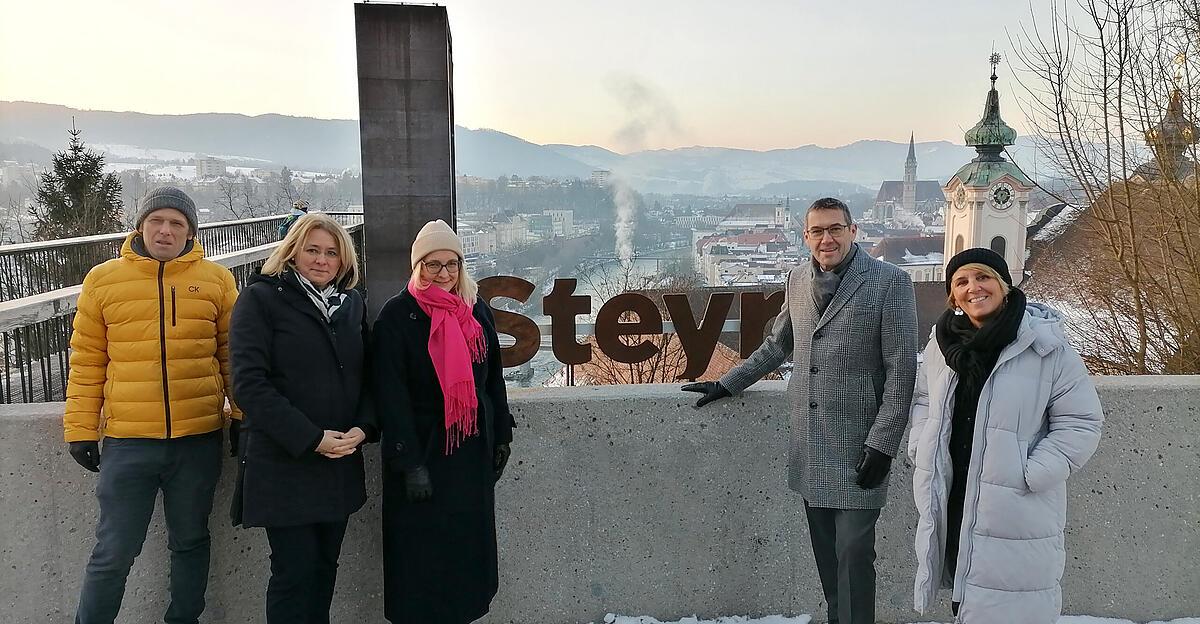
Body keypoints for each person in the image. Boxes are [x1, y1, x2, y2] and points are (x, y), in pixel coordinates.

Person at [682, 197, 918, 624]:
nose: (826, 239)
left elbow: (900, 372)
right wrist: (727, 382)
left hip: (861, 446)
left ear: (853, 231)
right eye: (817, 231)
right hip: (810, 443)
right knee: (828, 559)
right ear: (805, 236)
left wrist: (883, 445)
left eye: (834, 228)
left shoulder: (890, 282)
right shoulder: (796, 280)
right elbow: (777, 346)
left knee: (854, 553)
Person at [64, 185, 240, 624]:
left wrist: (241, 414)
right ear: (140, 226)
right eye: (157, 220)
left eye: (177, 223)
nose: (165, 230)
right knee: (114, 551)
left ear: (191, 232)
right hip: (128, 442)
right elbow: (87, 361)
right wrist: (81, 429)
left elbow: (233, 356)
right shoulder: (104, 281)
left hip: (197, 438)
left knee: (191, 542)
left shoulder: (217, 282)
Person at [908, 248, 1103, 624]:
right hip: (954, 492)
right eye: (961, 282)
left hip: (1014, 503)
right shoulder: (942, 344)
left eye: (983, 277)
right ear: (953, 295)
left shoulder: (1045, 346)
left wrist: (1030, 472)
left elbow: (1082, 421)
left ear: (1004, 286)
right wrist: (921, 444)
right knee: (965, 593)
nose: (973, 288)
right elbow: (923, 399)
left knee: (1014, 603)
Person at [229, 213, 376, 623]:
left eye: (331, 252)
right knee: (293, 575)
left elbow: (368, 376)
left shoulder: (351, 305)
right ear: (292, 252)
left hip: (339, 464)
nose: (322, 260)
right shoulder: (260, 300)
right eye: (312, 250)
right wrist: (311, 438)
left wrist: (364, 428)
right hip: (285, 465)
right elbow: (249, 385)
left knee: (324, 572)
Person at [372, 219, 515, 624]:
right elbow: (391, 396)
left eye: (452, 263)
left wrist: (501, 435)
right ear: (417, 266)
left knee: (467, 556)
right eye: (433, 265)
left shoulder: (474, 308)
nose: (444, 274)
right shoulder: (397, 317)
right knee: (423, 561)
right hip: (425, 456)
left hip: (471, 454)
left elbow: (493, 379)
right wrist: (410, 464)